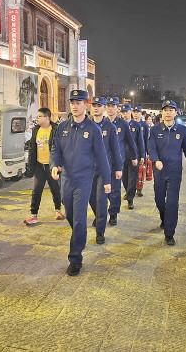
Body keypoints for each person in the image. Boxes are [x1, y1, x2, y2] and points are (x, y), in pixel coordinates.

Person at [51, 90, 111, 276]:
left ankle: (75, 258)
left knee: (78, 218)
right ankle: (80, 234)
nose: (75, 106)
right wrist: (54, 165)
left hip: (84, 180)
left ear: (86, 104)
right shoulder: (62, 127)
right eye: (72, 102)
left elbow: (101, 156)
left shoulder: (93, 129)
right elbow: (55, 149)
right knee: (70, 214)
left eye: (78, 102)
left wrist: (107, 180)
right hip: (66, 179)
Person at [149, 100, 186, 246]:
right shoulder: (155, 130)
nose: (168, 113)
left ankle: (169, 233)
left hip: (175, 172)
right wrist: (156, 160)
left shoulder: (182, 130)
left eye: (171, 110)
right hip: (159, 171)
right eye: (165, 110)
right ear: (161, 113)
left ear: (176, 112)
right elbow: (151, 147)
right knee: (159, 200)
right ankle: (164, 218)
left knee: (172, 203)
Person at [89, 97, 123, 244]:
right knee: (91, 199)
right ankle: (99, 216)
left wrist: (118, 168)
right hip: (88, 170)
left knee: (101, 200)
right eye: (94, 105)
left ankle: (100, 232)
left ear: (103, 108)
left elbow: (115, 149)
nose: (96, 108)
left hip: (104, 170)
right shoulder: (86, 125)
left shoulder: (110, 127)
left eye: (99, 105)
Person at [24, 107, 63, 226]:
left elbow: (61, 148)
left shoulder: (56, 129)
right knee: (36, 191)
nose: (38, 118)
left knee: (55, 189)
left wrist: (59, 165)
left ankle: (58, 211)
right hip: (39, 166)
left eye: (40, 116)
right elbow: (32, 148)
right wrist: (30, 166)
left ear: (47, 117)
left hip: (52, 166)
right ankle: (33, 215)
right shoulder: (36, 129)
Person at [105, 97, 137, 225]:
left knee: (115, 190)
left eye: (113, 106)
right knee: (99, 191)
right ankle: (100, 213)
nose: (110, 108)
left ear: (117, 108)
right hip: (102, 162)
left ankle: (113, 214)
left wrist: (134, 157)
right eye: (108, 106)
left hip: (117, 162)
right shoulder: (101, 122)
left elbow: (130, 141)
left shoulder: (123, 124)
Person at [121, 104, 145, 210]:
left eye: (126, 112)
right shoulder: (119, 124)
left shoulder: (136, 125)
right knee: (124, 178)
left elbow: (140, 141)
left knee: (132, 178)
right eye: (123, 112)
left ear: (130, 112)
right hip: (121, 156)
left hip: (134, 156)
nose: (125, 114)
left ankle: (130, 199)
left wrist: (142, 155)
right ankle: (128, 192)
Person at [133, 105, 149, 197]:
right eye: (134, 112)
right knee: (131, 173)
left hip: (140, 152)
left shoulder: (144, 125)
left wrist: (146, 153)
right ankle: (131, 190)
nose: (136, 114)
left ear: (141, 113)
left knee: (140, 171)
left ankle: (139, 189)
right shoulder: (129, 124)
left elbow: (146, 140)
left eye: (137, 112)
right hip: (131, 153)